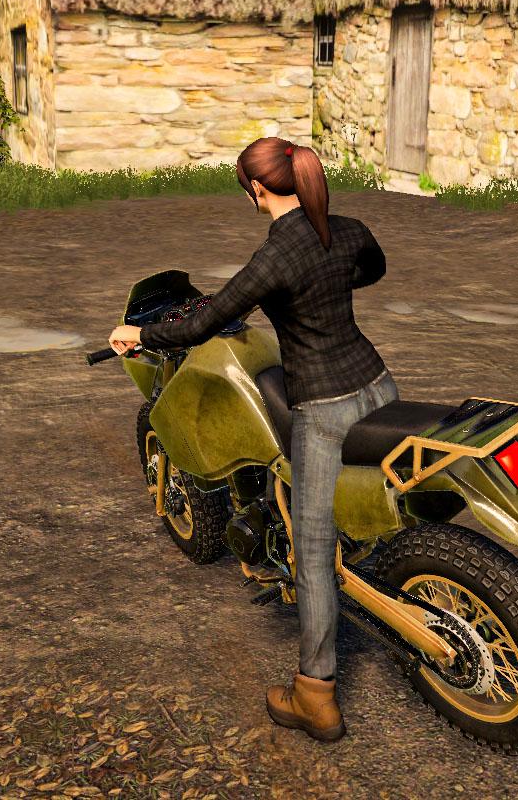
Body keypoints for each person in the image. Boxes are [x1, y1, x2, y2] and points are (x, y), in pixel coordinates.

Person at [106, 136, 394, 743]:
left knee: (312, 551)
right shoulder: (346, 230)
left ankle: (314, 694)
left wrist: (141, 335)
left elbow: (207, 322)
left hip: (324, 405)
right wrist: (324, 290)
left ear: (257, 189)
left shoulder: (277, 254)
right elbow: (372, 269)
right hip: (376, 384)